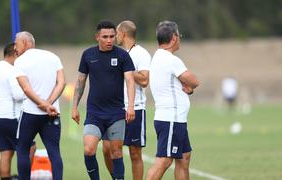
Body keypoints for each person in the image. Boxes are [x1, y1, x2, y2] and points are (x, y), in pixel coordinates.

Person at [71, 20, 136, 180]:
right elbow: (80, 81)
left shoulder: (122, 55)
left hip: (116, 113)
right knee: (89, 150)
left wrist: (131, 107)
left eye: (112, 36)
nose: (109, 40)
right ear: (97, 37)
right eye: (105, 37)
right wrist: (74, 107)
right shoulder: (88, 55)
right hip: (94, 113)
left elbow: (130, 81)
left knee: (116, 152)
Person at [146, 21, 199, 180]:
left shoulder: (158, 56)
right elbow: (194, 81)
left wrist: (187, 88)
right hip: (171, 119)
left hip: (174, 119)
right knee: (164, 161)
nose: (180, 39)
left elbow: (180, 84)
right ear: (174, 37)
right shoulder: (171, 60)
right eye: (179, 35)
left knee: (184, 157)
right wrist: (190, 86)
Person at [102, 20, 151, 180]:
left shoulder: (141, 53)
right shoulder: (118, 53)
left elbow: (144, 80)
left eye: (116, 33)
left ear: (123, 34)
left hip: (135, 108)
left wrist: (126, 68)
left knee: (134, 153)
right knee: (107, 149)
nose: (114, 36)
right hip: (115, 109)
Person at [14, 31, 66, 180]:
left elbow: (26, 88)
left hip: (30, 114)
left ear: (25, 42)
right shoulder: (53, 56)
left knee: (22, 150)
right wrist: (49, 103)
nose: (15, 48)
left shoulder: (20, 61)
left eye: (16, 44)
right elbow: (61, 82)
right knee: (54, 152)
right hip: (52, 113)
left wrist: (42, 104)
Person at [0, 43, 36, 180]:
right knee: (31, 147)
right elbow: (18, 94)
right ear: (15, 54)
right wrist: (32, 92)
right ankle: (23, 177)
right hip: (11, 118)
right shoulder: (12, 70)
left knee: (6, 152)